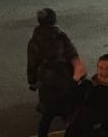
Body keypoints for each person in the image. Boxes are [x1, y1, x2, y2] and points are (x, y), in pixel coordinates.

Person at [27, 8, 81, 137]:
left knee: (47, 115)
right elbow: (73, 56)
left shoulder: (34, 41)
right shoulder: (61, 36)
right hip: (64, 79)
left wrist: (32, 81)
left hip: (46, 81)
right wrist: (77, 76)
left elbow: (32, 64)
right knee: (67, 113)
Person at [65, 54, 108, 137]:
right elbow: (67, 101)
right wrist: (75, 80)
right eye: (100, 68)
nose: (103, 72)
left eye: (107, 68)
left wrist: (105, 134)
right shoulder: (88, 86)